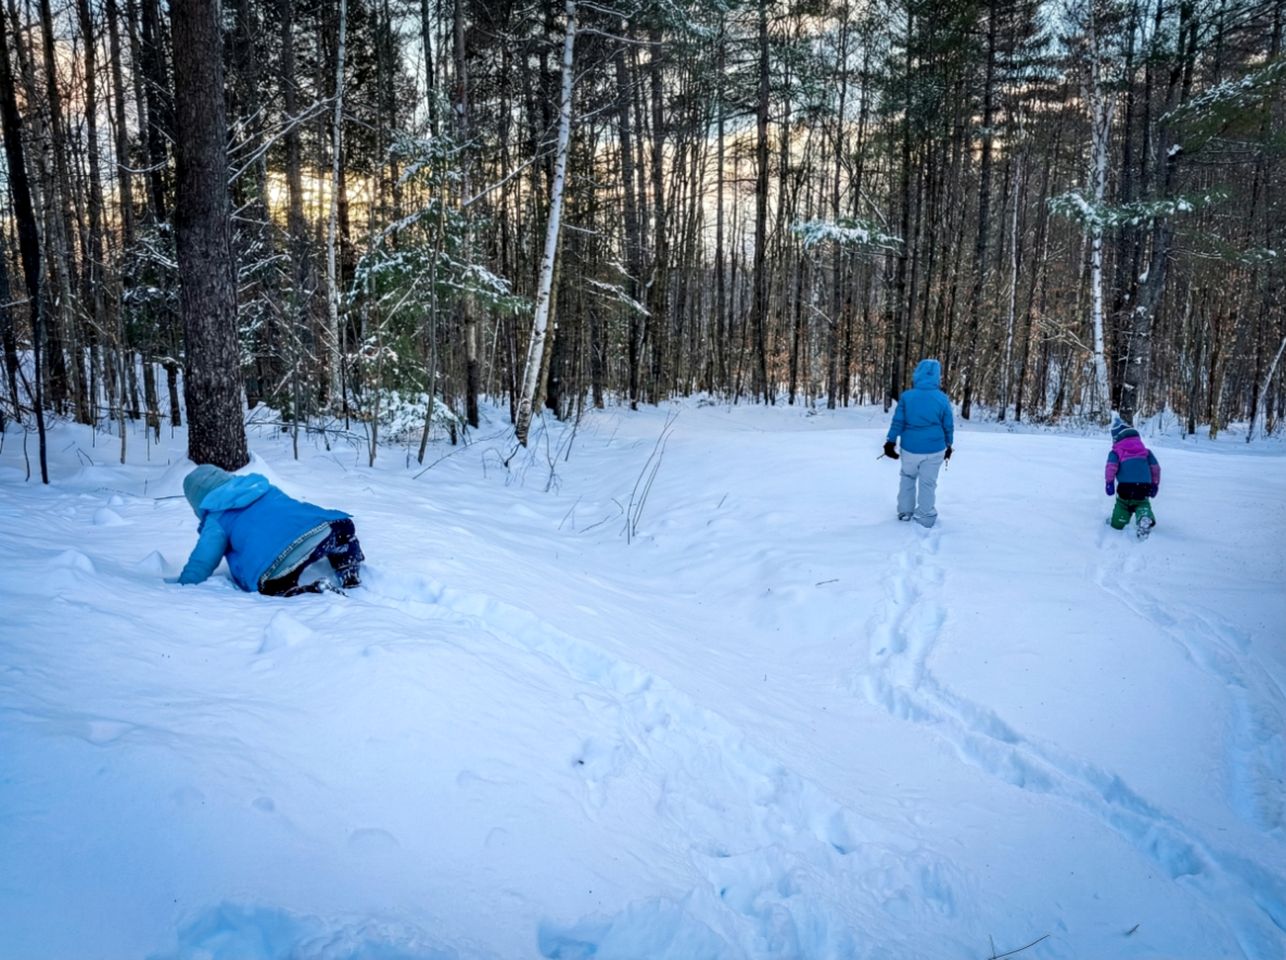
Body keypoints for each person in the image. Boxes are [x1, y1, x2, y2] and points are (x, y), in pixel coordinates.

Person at [171, 464, 364, 595]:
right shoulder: (260, 487)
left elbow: (202, 561)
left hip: (275, 564)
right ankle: (348, 568)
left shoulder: (216, 519)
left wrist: (184, 587)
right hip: (324, 528)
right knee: (343, 534)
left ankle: (311, 592)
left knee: (275, 587)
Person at [883, 358, 954, 528]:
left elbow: (897, 422)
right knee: (928, 483)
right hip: (935, 449)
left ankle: (905, 512)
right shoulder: (942, 398)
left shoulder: (907, 397)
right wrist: (949, 445)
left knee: (907, 477)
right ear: (937, 376)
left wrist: (890, 442)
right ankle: (925, 516)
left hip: (910, 448)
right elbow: (948, 425)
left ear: (917, 374)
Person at [1105, 413, 1160, 537]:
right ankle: (1144, 517)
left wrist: (1109, 483)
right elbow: (1155, 468)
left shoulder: (1115, 452)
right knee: (1142, 503)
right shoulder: (1146, 452)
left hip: (1125, 488)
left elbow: (1111, 467)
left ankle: (1118, 522)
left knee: (1122, 504)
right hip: (1143, 487)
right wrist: (1155, 485)